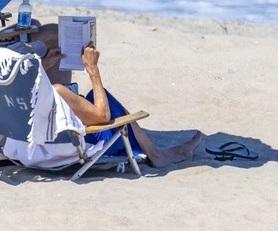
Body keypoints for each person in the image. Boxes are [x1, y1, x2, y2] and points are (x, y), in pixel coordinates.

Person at [47, 44, 203, 168]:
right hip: (84, 146)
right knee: (103, 99)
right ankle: (156, 155)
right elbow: (103, 116)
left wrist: (44, 65)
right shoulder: (57, 90)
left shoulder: (26, 92)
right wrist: (93, 69)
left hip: (41, 150)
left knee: (88, 100)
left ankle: (154, 152)